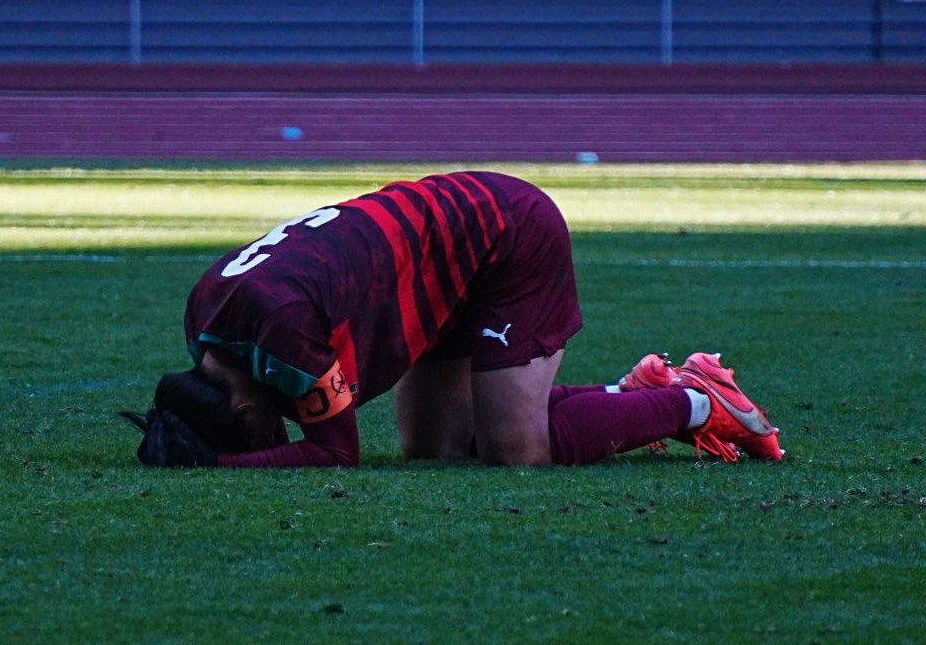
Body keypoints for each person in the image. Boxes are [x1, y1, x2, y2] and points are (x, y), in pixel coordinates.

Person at [129, 171, 783, 468]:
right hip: (435, 259)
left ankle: (695, 402)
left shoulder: (278, 332)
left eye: (259, 431)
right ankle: (628, 396)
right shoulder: (208, 315)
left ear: (243, 412)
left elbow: (336, 451)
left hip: (504, 235)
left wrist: (219, 462)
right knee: (437, 448)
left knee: (514, 450)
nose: (277, 427)